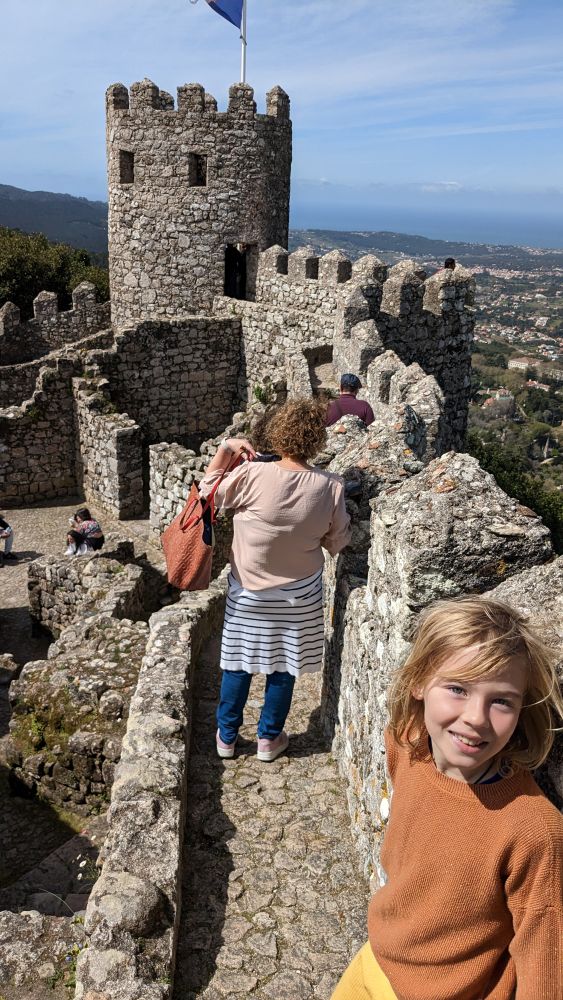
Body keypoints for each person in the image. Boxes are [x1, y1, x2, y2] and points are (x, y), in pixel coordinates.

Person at [331, 596, 563, 1000]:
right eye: (457, 688)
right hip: (376, 959)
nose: (475, 717)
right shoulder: (406, 747)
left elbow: (544, 958)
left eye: (502, 701)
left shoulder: (534, 831)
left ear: (523, 708)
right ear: (419, 682)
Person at [199, 398, 351, 762]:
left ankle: (227, 737)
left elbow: (206, 492)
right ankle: (269, 739)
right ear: (317, 440)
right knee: (284, 666)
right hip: (301, 594)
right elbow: (338, 542)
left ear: (279, 433)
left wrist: (224, 451)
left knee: (238, 662)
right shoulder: (331, 486)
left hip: (248, 591)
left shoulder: (251, 475)